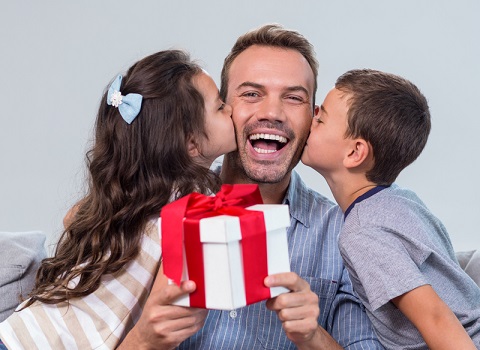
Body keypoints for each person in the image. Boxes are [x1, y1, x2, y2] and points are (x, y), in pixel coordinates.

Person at [123, 24, 383, 350]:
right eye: (251, 94)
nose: (272, 113)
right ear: (220, 110)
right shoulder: (157, 207)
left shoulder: (345, 234)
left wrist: (313, 336)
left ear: (313, 119)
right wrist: (144, 340)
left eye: (293, 98)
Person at [0, 49, 237, 349]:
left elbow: (72, 218)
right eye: (219, 107)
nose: (230, 110)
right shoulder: (196, 205)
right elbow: (167, 314)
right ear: (191, 143)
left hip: (20, 331)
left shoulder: (141, 189)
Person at [301, 68, 480, 349]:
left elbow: (435, 317)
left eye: (320, 118)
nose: (309, 120)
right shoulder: (400, 201)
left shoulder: (363, 231)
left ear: (355, 153)